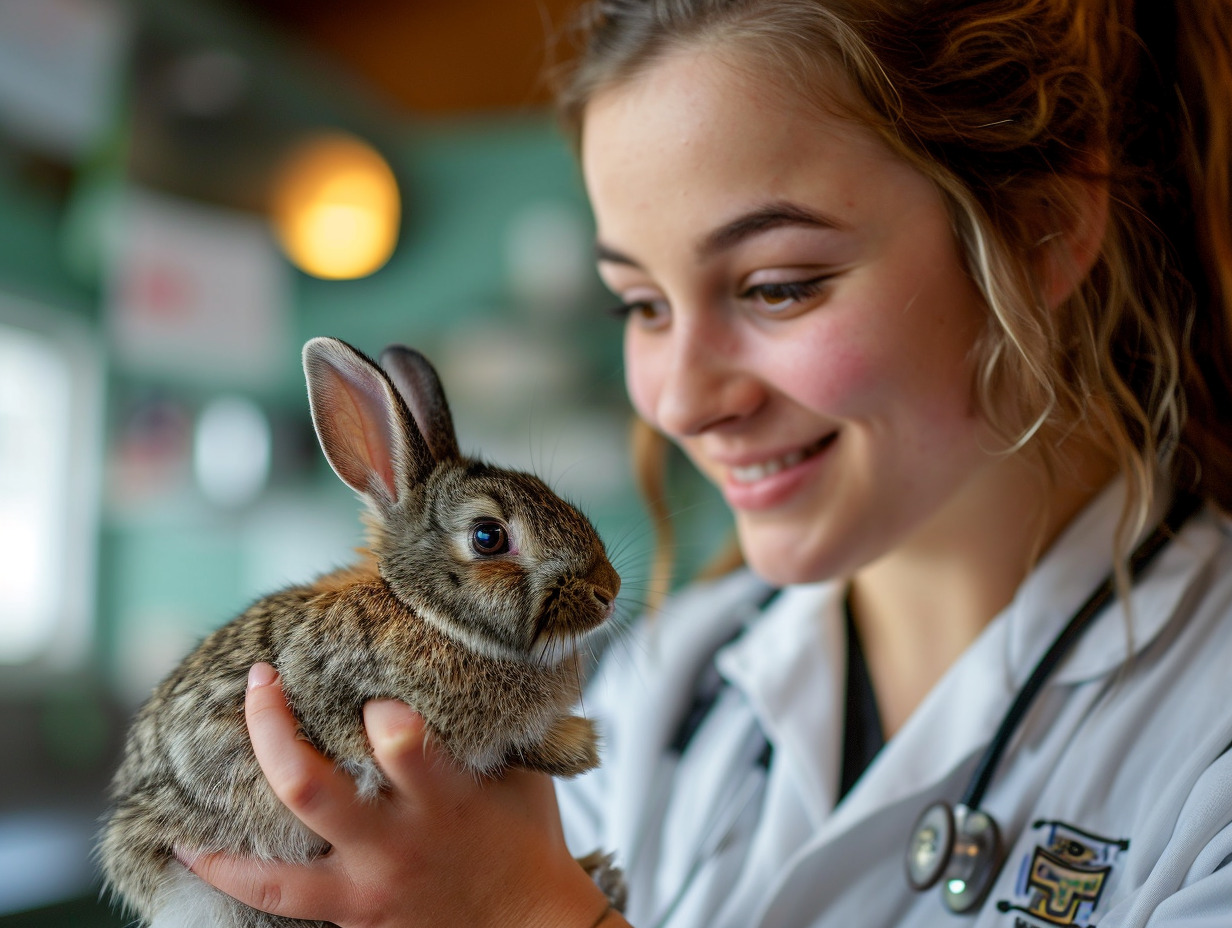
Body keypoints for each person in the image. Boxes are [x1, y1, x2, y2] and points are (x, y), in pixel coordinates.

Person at [186, 0, 1232, 925]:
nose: (679, 400)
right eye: (639, 304)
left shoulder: (1205, 736)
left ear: (1042, 229)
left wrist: (524, 912)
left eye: (776, 284)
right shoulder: (654, 691)